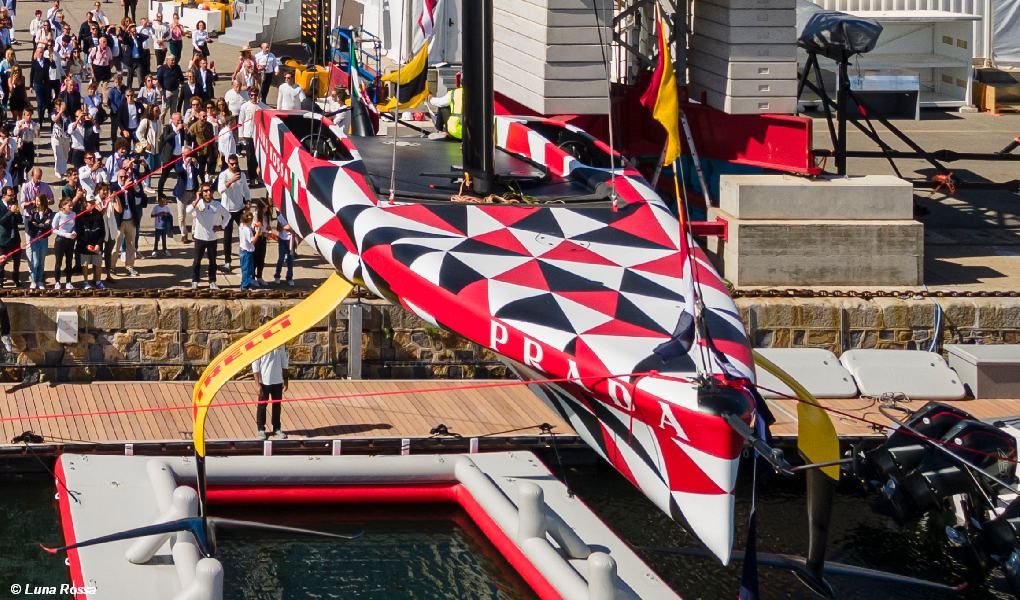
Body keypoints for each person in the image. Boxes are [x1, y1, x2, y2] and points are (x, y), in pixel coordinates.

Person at [251, 319, 288, 440]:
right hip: (264, 381)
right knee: (262, 405)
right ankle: (261, 429)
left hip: (277, 380)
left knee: (277, 405)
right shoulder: (259, 343)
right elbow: (255, 364)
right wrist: (257, 384)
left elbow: (284, 361)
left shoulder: (280, 342)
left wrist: (286, 380)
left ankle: (277, 428)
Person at [187, 182, 228, 289]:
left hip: (212, 238)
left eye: (209, 190)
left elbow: (227, 216)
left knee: (213, 261)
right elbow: (188, 211)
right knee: (197, 261)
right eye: (205, 191)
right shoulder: (198, 203)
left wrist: (221, 226)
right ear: (201, 192)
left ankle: (212, 281)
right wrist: (196, 199)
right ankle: (195, 281)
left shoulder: (217, 205)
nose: (208, 193)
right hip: (199, 237)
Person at [216, 152, 248, 271]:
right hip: (227, 210)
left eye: (236, 163)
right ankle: (227, 261)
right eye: (232, 164)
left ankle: (243, 257)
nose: (234, 166)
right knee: (227, 237)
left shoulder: (242, 175)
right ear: (228, 164)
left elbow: (246, 189)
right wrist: (231, 181)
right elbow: (220, 190)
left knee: (244, 234)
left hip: (239, 208)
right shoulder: (223, 175)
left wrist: (248, 200)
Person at [112, 168, 143, 275]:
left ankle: (130, 266)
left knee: (131, 245)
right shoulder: (114, 187)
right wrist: (124, 188)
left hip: (130, 220)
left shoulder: (130, 187)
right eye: (121, 177)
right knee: (116, 246)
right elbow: (115, 197)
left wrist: (136, 188)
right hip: (119, 222)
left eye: (125, 176)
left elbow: (140, 197)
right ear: (117, 177)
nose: (123, 178)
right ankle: (112, 266)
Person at [75, 191, 106, 289]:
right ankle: (85, 282)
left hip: (96, 244)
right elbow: (79, 234)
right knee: (85, 265)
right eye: (90, 203)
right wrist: (85, 245)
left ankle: (98, 281)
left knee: (98, 264)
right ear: (85, 203)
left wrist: (98, 244)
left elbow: (102, 232)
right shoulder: (80, 216)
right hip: (84, 245)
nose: (92, 204)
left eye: (93, 202)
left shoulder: (99, 214)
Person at [25, 193, 53, 288]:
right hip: (35, 238)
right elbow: (31, 225)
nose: (37, 202)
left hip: (44, 239)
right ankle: (33, 280)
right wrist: (42, 225)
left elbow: (48, 225)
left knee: (42, 260)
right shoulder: (32, 211)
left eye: (39, 200)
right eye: (36, 200)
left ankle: (40, 280)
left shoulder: (48, 212)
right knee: (35, 261)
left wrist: (38, 225)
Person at [173, 145, 200, 241]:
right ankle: (184, 234)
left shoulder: (194, 162)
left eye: (191, 153)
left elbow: (198, 172)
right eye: (188, 154)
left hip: (192, 192)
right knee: (181, 216)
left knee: (196, 215)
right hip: (182, 192)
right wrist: (185, 163)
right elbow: (179, 172)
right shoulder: (179, 162)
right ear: (183, 154)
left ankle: (194, 232)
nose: (190, 155)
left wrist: (196, 165)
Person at [157, 111, 184, 197]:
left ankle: (179, 191)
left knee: (182, 175)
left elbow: (184, 139)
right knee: (164, 177)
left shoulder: (182, 128)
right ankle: (160, 194)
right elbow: (166, 138)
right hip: (169, 157)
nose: (179, 122)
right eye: (178, 120)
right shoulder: (167, 128)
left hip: (178, 157)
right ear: (172, 120)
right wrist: (176, 131)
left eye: (180, 120)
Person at [50, 197, 75, 288]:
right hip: (60, 240)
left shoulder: (73, 214)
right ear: (63, 206)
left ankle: (68, 281)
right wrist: (65, 234)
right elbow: (53, 230)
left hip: (70, 241)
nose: (71, 207)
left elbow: (74, 226)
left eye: (72, 205)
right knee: (58, 262)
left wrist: (74, 232)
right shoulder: (58, 215)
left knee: (69, 261)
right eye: (69, 205)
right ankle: (57, 281)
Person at [0, 188, 20, 287]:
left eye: (13, 195)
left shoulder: (14, 204)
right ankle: (0, 281)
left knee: (17, 262)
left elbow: (20, 221)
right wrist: (10, 212)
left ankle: (16, 279)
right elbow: (1, 221)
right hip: (4, 238)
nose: (12, 197)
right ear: (4, 195)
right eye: (10, 195)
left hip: (15, 238)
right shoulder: (0, 205)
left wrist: (17, 212)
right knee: (2, 262)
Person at [238, 88, 259, 182]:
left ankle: (258, 176)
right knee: (250, 157)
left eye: (255, 95)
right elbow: (240, 121)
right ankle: (252, 177)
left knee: (258, 157)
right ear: (249, 95)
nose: (253, 97)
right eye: (252, 95)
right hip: (248, 135)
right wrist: (240, 134)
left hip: (259, 135)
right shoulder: (244, 106)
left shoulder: (261, 106)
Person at [238, 209, 256, 290]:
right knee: (247, 269)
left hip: (242, 250)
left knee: (246, 269)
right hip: (247, 252)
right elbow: (252, 241)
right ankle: (245, 286)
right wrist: (258, 233)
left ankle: (245, 283)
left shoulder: (241, 226)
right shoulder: (248, 230)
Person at [274, 211, 294, 286]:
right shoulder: (281, 216)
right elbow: (278, 229)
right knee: (281, 258)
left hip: (291, 240)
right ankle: (277, 275)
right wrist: (284, 227)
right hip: (282, 239)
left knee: (290, 259)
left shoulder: (293, 216)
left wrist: (290, 228)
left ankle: (289, 278)